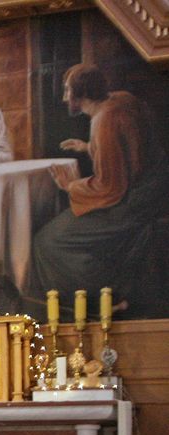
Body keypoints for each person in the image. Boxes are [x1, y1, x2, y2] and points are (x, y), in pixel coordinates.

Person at [30, 64, 169, 315]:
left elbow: (109, 187)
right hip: (155, 190)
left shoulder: (103, 122)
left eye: (67, 91)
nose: (64, 98)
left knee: (48, 241)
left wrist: (70, 185)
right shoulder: (122, 99)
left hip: (133, 203)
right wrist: (90, 147)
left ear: (81, 94)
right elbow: (130, 146)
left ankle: (103, 299)